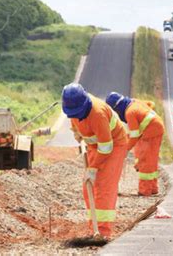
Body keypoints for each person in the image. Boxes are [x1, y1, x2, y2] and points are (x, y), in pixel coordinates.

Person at [62, 83, 127, 238]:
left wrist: (93, 168)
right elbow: (74, 119)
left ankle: (103, 232)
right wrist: (77, 132)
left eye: (78, 112)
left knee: (104, 187)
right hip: (95, 146)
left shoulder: (97, 113)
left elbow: (106, 148)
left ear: (84, 104)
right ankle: (94, 228)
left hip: (114, 145)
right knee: (89, 187)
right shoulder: (74, 107)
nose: (75, 115)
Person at [105, 92, 165, 196]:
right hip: (155, 129)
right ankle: (153, 188)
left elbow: (134, 136)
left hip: (151, 132)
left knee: (145, 160)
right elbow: (150, 104)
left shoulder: (130, 113)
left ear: (117, 108)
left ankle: (145, 190)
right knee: (151, 159)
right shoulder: (134, 102)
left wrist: (126, 149)